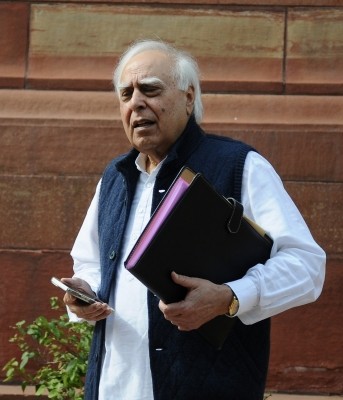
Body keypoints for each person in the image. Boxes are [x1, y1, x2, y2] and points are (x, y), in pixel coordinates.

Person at [62, 39, 326, 400]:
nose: (136, 103)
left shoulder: (238, 166)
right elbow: (91, 263)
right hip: (113, 387)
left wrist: (231, 297)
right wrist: (85, 294)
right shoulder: (115, 179)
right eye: (125, 94)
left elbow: (307, 267)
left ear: (189, 98)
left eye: (150, 89)